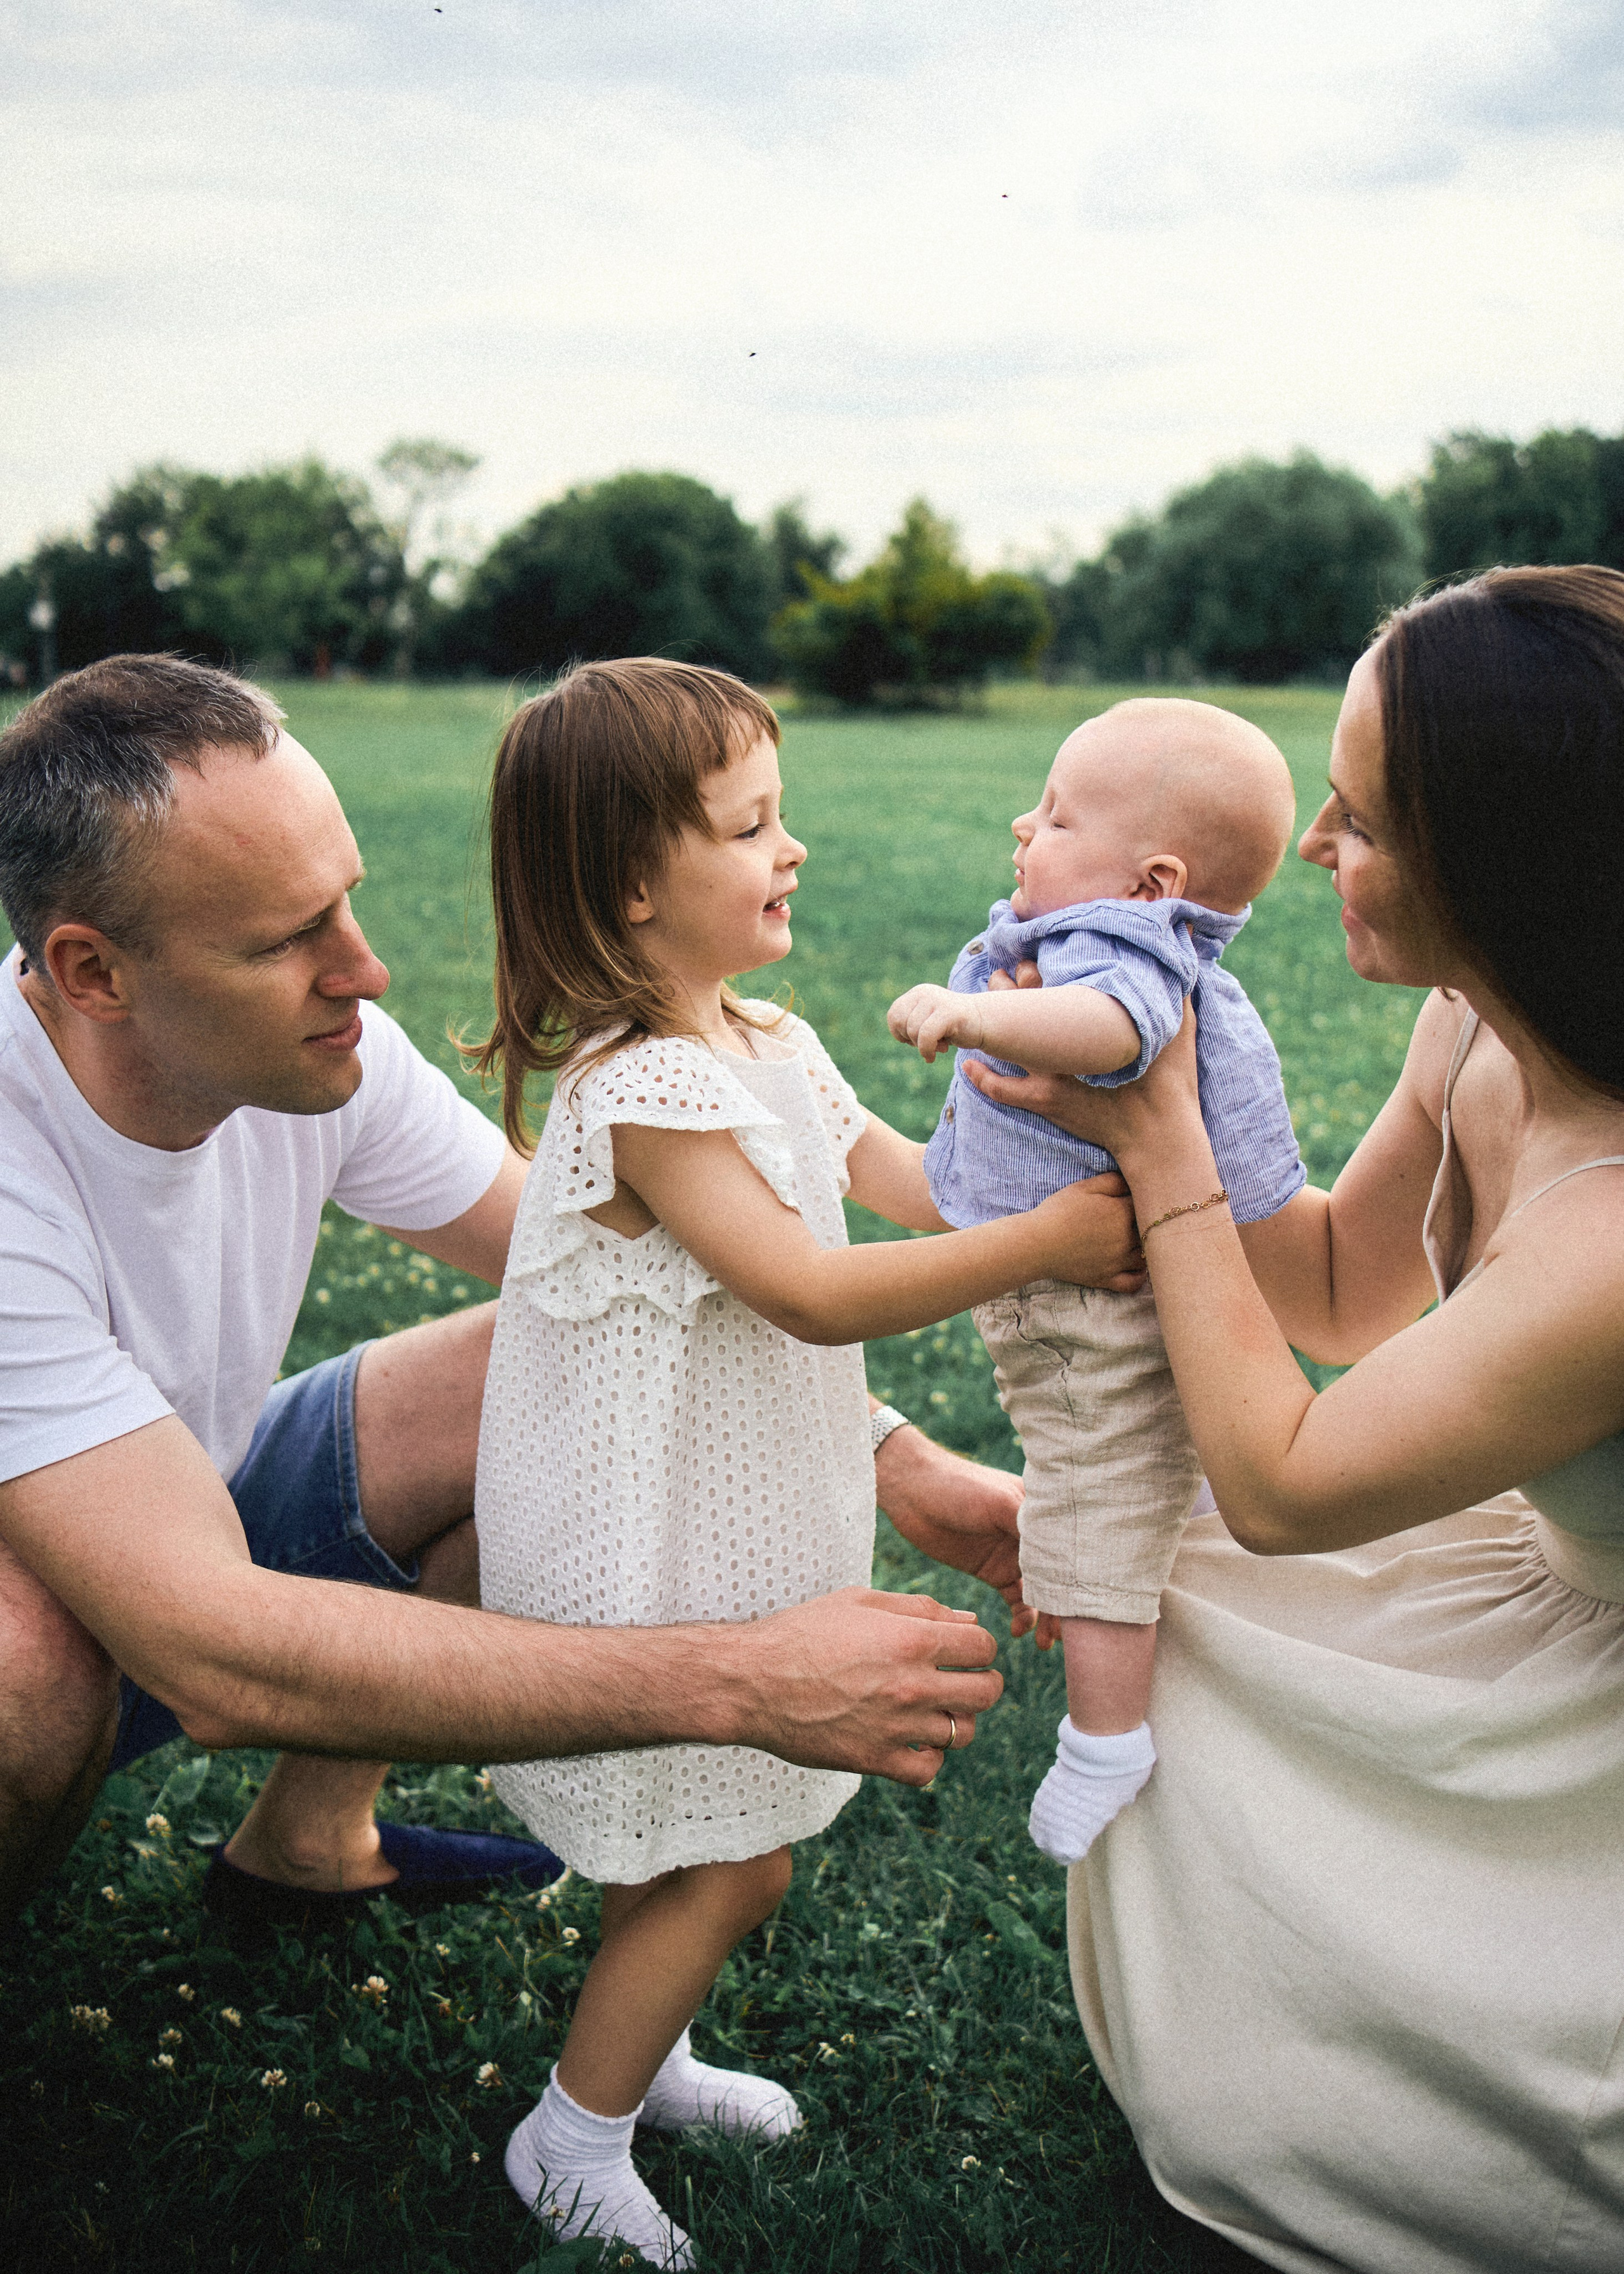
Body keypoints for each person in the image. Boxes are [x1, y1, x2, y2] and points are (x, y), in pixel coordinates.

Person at [0, 654, 1144, 1926]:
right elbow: (206, 1650)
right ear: (93, 971)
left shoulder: (334, 1048)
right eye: (285, 940)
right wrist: (742, 1683)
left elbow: (583, 1283)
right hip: (85, 1601)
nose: (365, 972)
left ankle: (309, 1848)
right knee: (28, 1668)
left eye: (345, 904)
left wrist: (899, 1459)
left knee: (543, 1355)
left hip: (178, 1506)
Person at [966, 567, 1624, 2272]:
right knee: (1154, 1598)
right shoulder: (1478, 1013)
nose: (1318, 846)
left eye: (1365, 818)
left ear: (1504, 855)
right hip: (1558, 1578)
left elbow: (1279, 1479)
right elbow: (1336, 1295)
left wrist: (1162, 1137)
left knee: (1349, 2120)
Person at [465, 658, 1137, 2267]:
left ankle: (649, 2047)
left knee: (702, 1832)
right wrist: (1046, 1242)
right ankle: (569, 2136)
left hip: (737, 1515)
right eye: (752, 824)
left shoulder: (764, 1032)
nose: (793, 848)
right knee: (737, 1853)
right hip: (645, 1553)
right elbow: (809, 1284)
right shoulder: (644, 1091)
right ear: (634, 886)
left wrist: (1057, 1138)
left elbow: (910, 1187)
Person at [887, 699, 1302, 1862]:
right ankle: (1210, 1610)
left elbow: (1113, 1031)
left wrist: (974, 1010)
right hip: (1098, 1293)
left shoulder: (1122, 956)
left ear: (1148, 879)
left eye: (1058, 815)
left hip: (1089, 1320)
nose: (1026, 824)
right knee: (1147, 1474)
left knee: (1093, 1512)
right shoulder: (1092, 930)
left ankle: (1107, 1738)